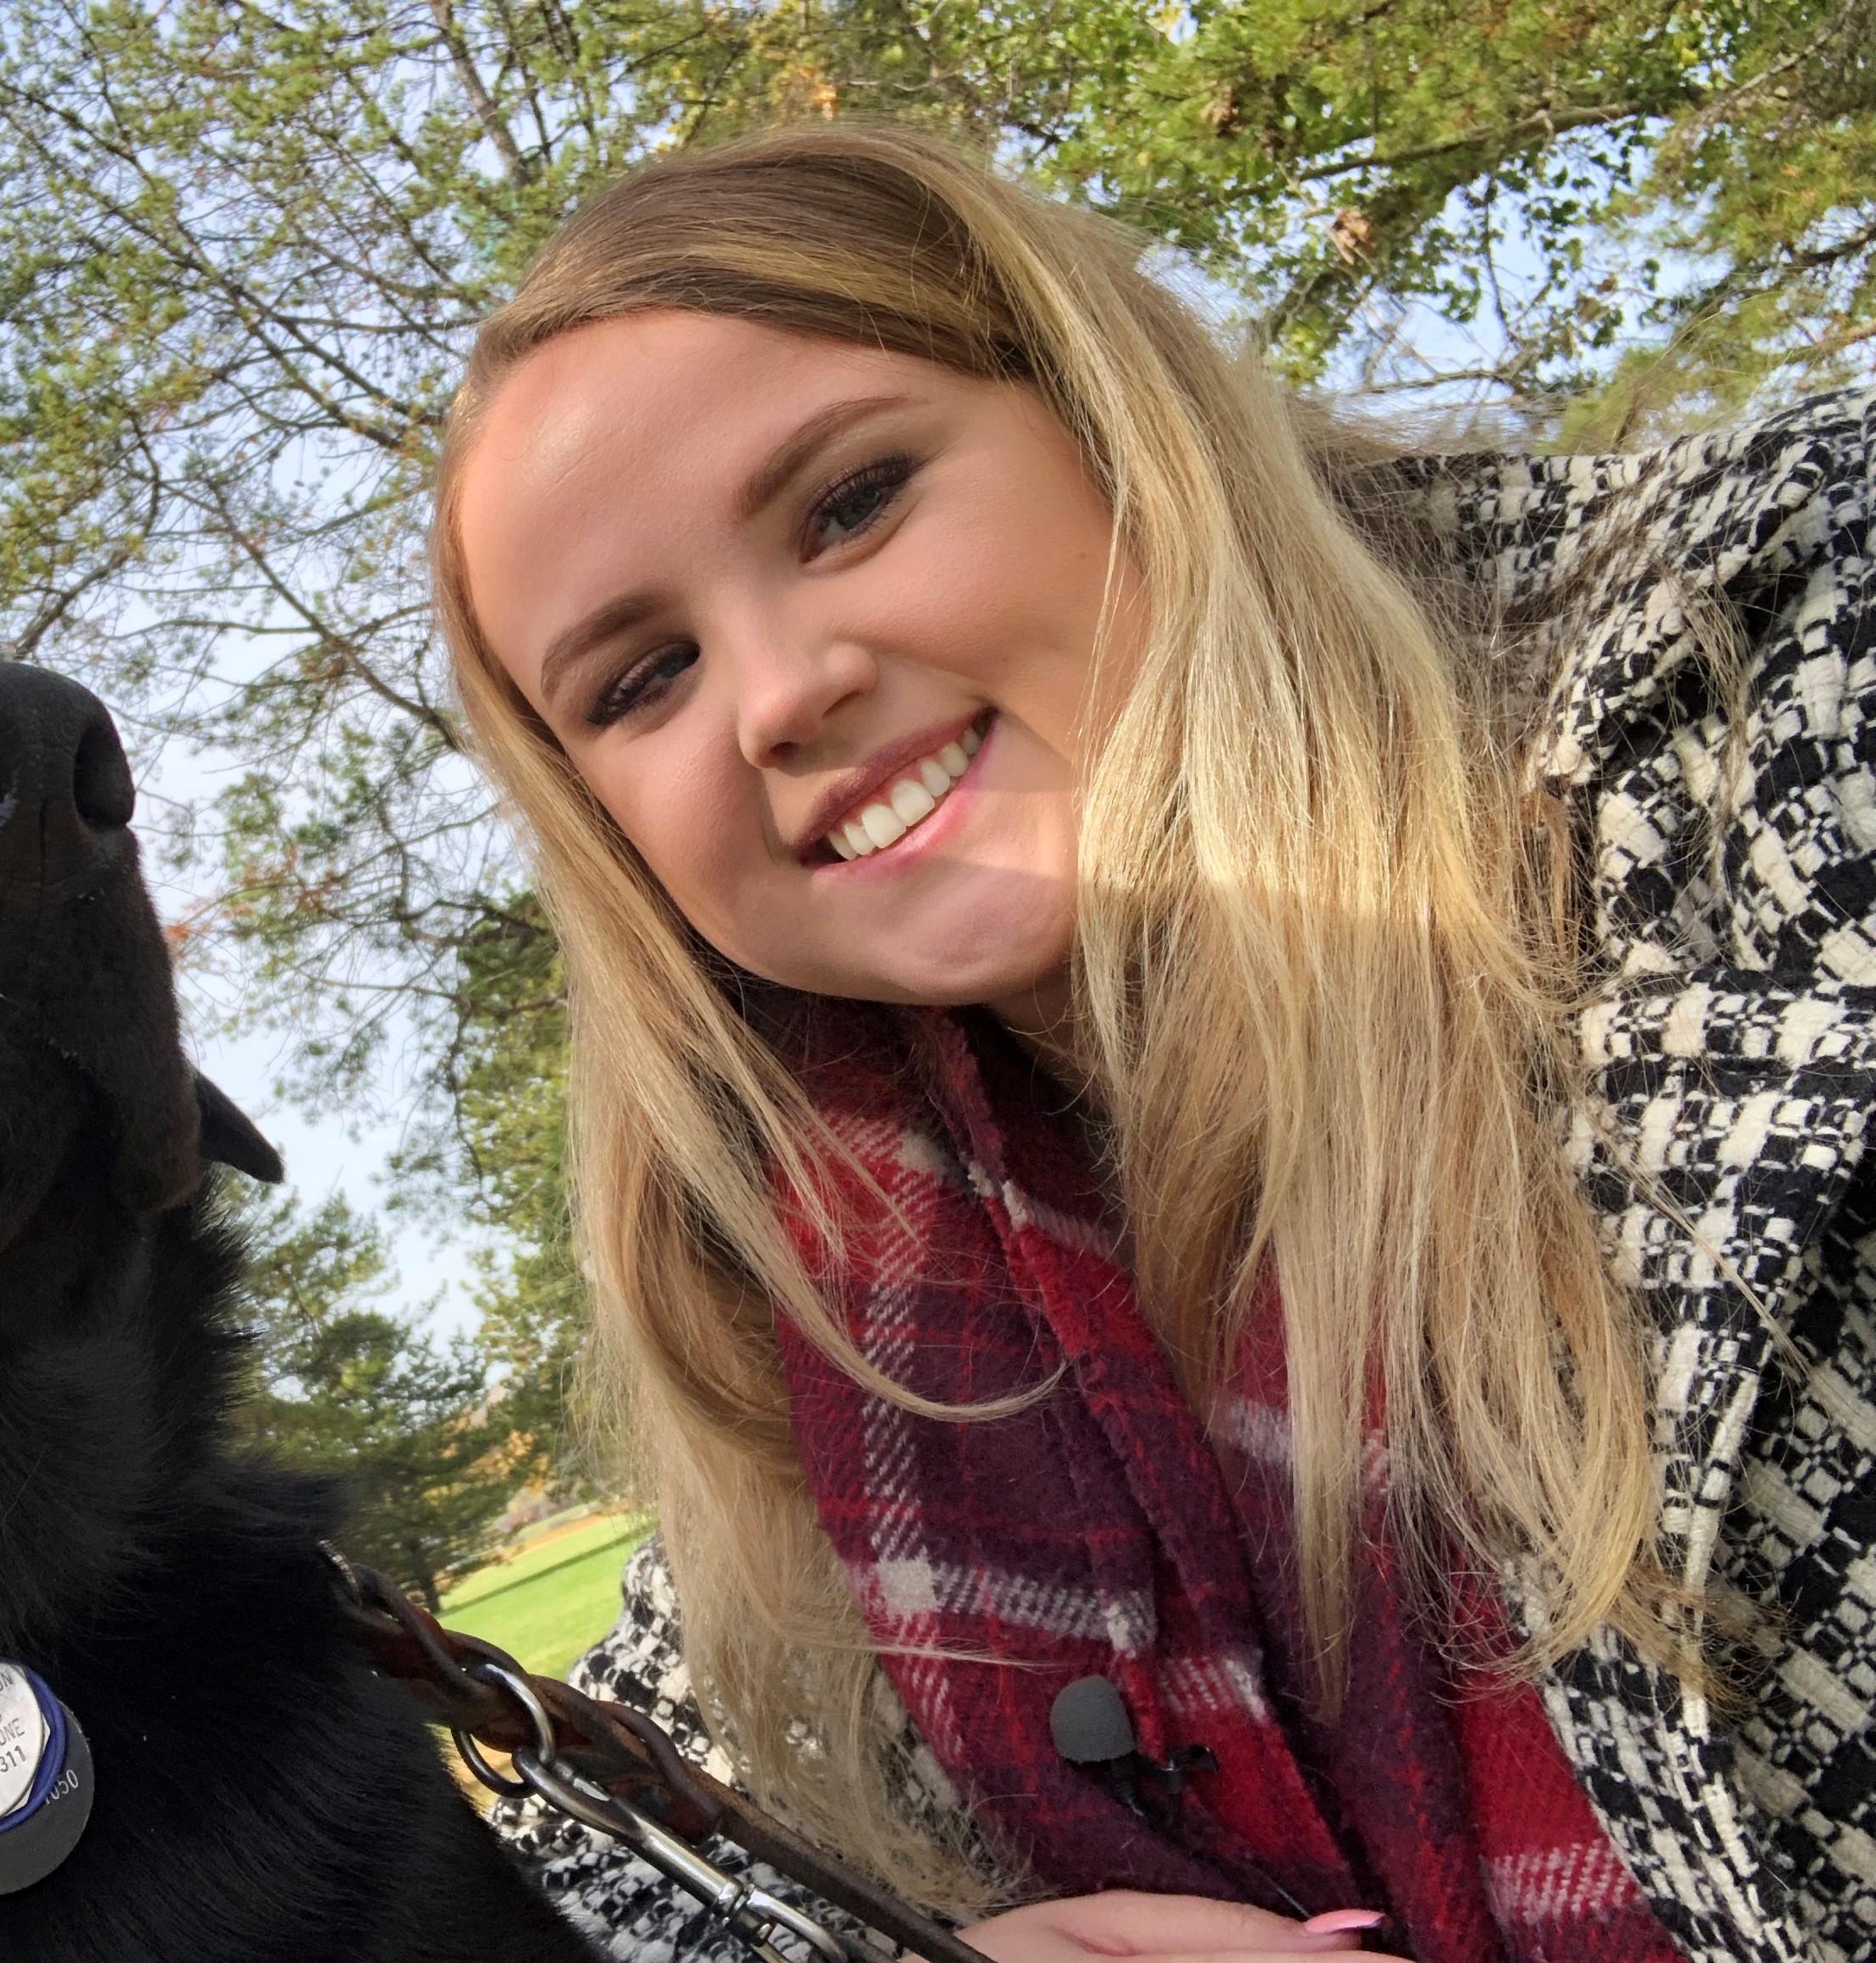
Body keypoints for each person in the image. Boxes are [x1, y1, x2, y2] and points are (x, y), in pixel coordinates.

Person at [429, 124, 1876, 1963]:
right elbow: (586, 1895)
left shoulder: (1783, 703)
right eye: (639, 680)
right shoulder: (817, 1344)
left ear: (1112, 432)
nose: (781, 691)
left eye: (851, 500)